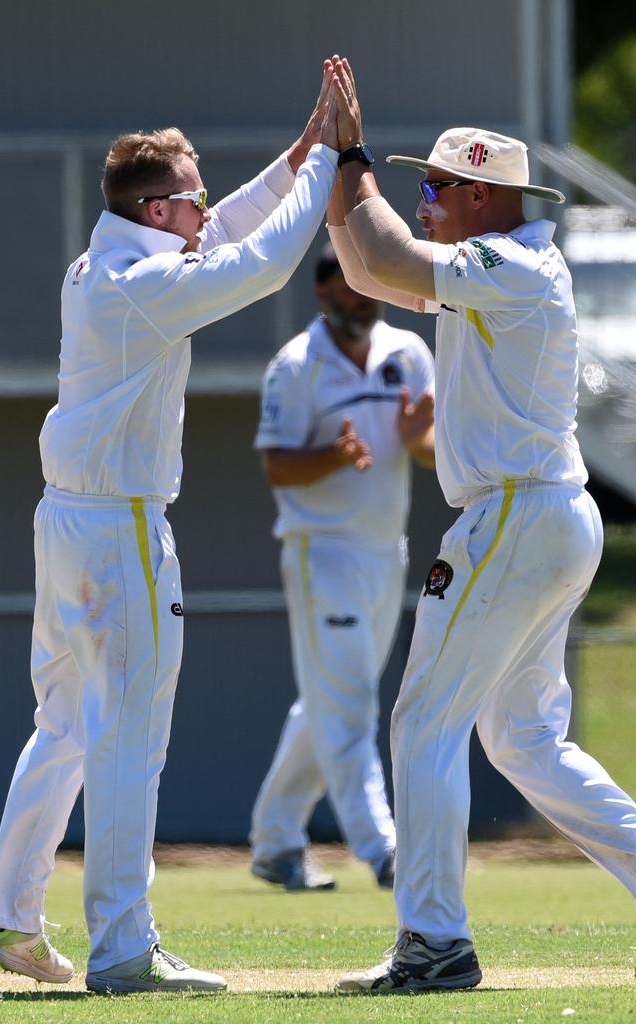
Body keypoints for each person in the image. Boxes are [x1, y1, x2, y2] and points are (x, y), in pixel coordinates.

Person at [0, 68, 344, 995]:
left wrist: (298, 155)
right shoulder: (138, 284)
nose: (206, 206)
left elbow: (222, 233)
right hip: (120, 531)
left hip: (65, 523)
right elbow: (257, 266)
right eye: (194, 195)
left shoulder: (113, 256)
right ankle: (124, 948)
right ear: (156, 208)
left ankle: (16, 921)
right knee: (127, 734)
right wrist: (333, 161)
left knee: (62, 725)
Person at [322, 55, 636, 993]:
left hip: (516, 516)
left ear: (482, 194)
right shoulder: (500, 266)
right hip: (544, 514)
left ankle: (435, 943)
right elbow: (368, 264)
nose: (430, 199)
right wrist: (338, 170)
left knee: (423, 722)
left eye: (439, 185)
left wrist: (353, 153)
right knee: (522, 740)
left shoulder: (509, 261)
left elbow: (390, 256)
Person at [249, 244, 435, 892]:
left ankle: (275, 841)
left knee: (329, 701)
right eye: (350, 292)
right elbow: (277, 466)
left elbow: (436, 452)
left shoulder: (409, 353)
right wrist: (331, 456)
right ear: (323, 295)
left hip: (387, 552)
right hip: (319, 550)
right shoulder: (296, 367)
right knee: (350, 703)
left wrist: (418, 443)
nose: (363, 302)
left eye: (369, 291)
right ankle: (384, 850)